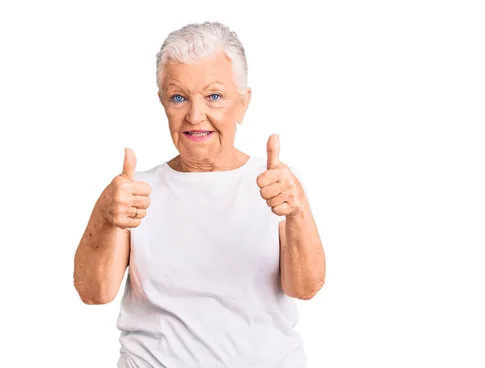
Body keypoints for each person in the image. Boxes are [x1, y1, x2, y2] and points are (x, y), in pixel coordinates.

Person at [72, 21, 326, 368]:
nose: (195, 115)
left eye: (214, 96)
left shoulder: (277, 184)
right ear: (163, 102)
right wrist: (103, 216)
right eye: (179, 97)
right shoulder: (134, 193)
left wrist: (298, 213)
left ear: (243, 102)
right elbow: (93, 293)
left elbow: (306, 287)